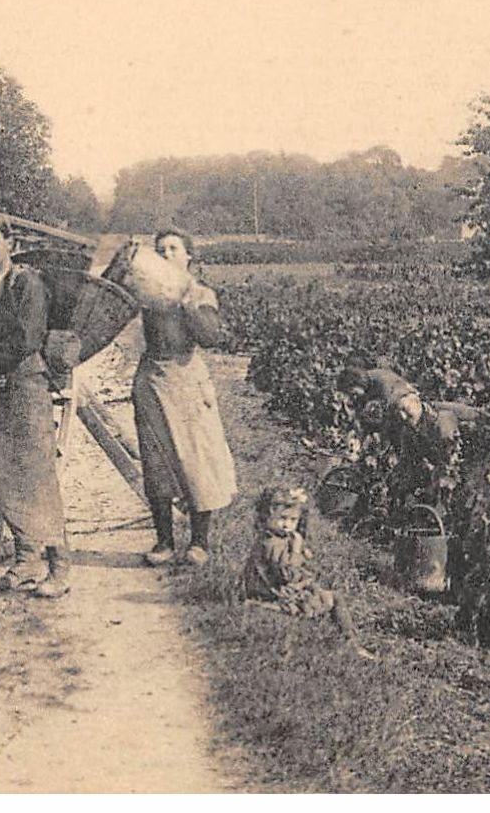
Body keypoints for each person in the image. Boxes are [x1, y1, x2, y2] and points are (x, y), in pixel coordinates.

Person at [0, 219, 71, 597]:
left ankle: (59, 568)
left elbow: (26, 338)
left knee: (36, 475)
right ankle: (24, 564)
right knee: (2, 474)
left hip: (25, 388)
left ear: (10, 243)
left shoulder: (27, 284)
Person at [132, 229, 237, 566]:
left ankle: (199, 543)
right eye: (159, 249)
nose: (165, 254)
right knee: (156, 462)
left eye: (173, 248)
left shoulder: (200, 293)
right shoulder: (148, 292)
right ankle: (164, 542)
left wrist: (186, 302)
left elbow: (210, 336)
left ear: (188, 256)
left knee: (196, 461)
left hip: (187, 379)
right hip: (152, 380)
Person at [243, 486, 374, 659]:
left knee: (316, 589)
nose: (287, 524)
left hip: (269, 587)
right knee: (334, 598)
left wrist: (301, 551)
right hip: (275, 592)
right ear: (266, 516)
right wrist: (296, 551)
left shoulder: (273, 538)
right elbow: (288, 574)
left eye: (292, 520)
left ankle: (349, 641)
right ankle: (352, 643)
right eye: (282, 518)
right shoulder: (272, 544)